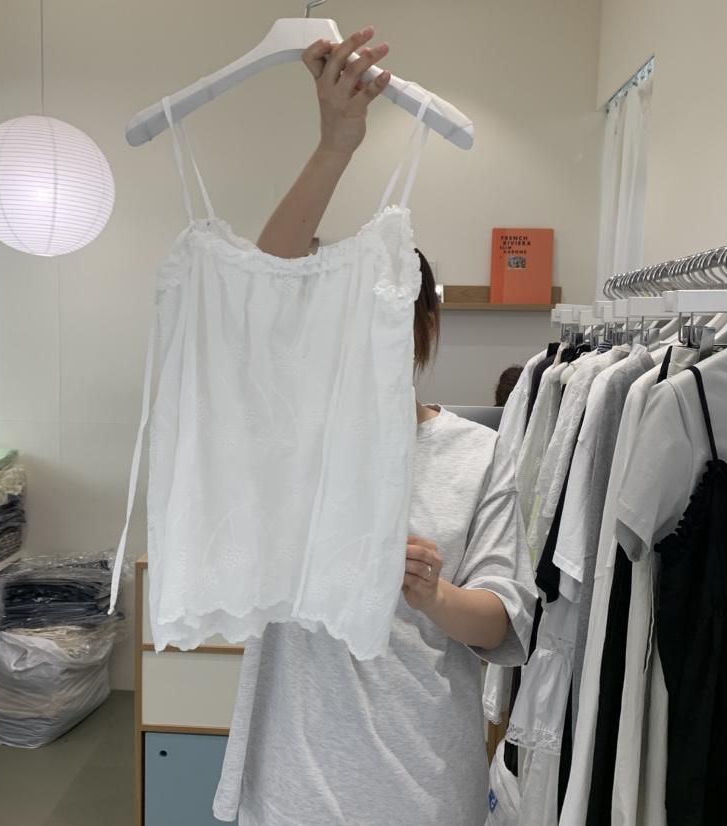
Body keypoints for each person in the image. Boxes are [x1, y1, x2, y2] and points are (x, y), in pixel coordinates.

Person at [213, 28, 536, 826]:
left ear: (421, 329)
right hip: (291, 777)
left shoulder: (479, 454)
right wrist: (337, 144)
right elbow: (266, 282)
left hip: (422, 777)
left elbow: (504, 620)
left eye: (384, 320)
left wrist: (434, 594)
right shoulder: (292, 438)